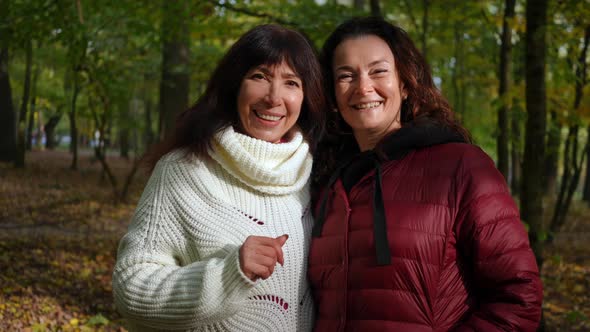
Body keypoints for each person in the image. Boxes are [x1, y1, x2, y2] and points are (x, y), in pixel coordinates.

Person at [308, 16, 542, 331]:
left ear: (404, 84)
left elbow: (518, 297)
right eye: (346, 75)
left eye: (378, 71)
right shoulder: (325, 183)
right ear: (333, 94)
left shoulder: (461, 167)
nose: (363, 87)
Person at [112, 24, 326, 331]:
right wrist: (228, 274)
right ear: (234, 85)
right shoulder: (183, 170)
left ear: (306, 96)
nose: (274, 97)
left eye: (291, 82)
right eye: (259, 76)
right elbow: (130, 288)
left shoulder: (317, 173)